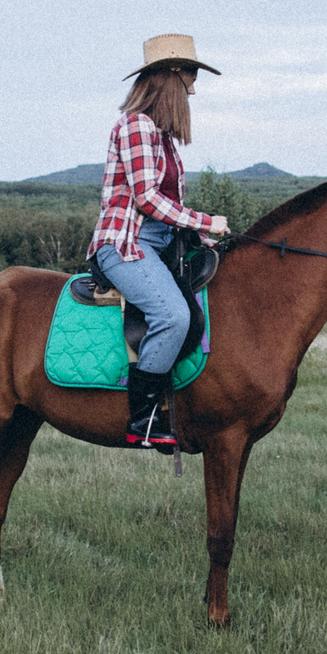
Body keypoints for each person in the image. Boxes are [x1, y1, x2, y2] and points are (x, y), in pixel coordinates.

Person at [91, 34, 232, 450]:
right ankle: (145, 422)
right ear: (170, 77)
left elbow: (168, 203)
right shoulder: (136, 126)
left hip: (162, 241)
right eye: (190, 73)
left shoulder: (163, 136)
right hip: (127, 243)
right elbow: (148, 199)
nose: (194, 84)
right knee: (173, 315)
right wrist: (206, 219)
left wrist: (199, 234)